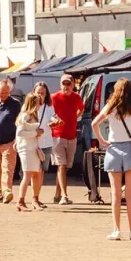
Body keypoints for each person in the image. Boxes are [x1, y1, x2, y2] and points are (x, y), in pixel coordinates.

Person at [91, 79, 131, 240]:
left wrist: (101, 140)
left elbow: (94, 123)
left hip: (113, 149)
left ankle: (116, 230)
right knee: (130, 195)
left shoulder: (110, 107)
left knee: (115, 194)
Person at [48, 73, 84, 205]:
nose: (66, 86)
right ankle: (64, 195)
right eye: (64, 83)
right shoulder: (54, 97)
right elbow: (49, 113)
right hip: (57, 136)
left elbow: (81, 109)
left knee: (65, 168)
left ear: (73, 85)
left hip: (72, 136)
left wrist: (75, 117)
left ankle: (57, 194)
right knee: (61, 166)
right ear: (60, 84)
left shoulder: (76, 97)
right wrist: (55, 120)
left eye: (69, 84)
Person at [0, 78, 21, 204]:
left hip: (10, 141)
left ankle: (7, 191)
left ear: (10, 91)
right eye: (2, 92)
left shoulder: (15, 104)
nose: (3, 94)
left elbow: (19, 121)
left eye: (6, 92)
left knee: (7, 167)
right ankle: (0, 192)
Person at [14, 91, 46, 210]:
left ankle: (35, 199)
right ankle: (20, 201)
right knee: (27, 175)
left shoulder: (33, 115)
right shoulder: (25, 115)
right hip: (26, 149)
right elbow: (20, 133)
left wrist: (37, 133)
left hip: (32, 147)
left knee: (36, 174)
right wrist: (35, 133)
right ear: (33, 103)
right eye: (38, 103)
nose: (40, 105)